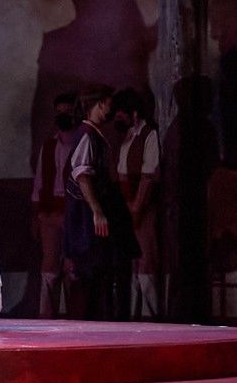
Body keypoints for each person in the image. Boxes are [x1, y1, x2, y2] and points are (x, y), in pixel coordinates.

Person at [64, 87, 137, 321]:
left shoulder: (94, 134)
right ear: (99, 104)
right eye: (108, 104)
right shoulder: (87, 135)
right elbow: (82, 175)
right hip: (86, 215)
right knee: (91, 268)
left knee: (101, 268)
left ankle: (101, 317)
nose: (110, 110)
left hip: (98, 209)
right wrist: (96, 210)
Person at [29, 92, 82, 316]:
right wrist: (36, 215)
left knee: (73, 267)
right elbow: (39, 183)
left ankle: (76, 317)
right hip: (50, 213)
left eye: (67, 112)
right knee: (49, 267)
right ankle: (47, 317)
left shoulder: (82, 145)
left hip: (74, 214)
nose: (62, 116)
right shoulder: (49, 146)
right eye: (59, 112)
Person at [112, 88, 163, 319]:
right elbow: (122, 174)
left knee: (146, 263)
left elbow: (148, 175)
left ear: (133, 113)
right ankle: (132, 317)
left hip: (144, 208)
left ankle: (151, 316)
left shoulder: (149, 135)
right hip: (127, 207)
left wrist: (137, 207)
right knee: (132, 267)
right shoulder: (127, 137)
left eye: (121, 115)